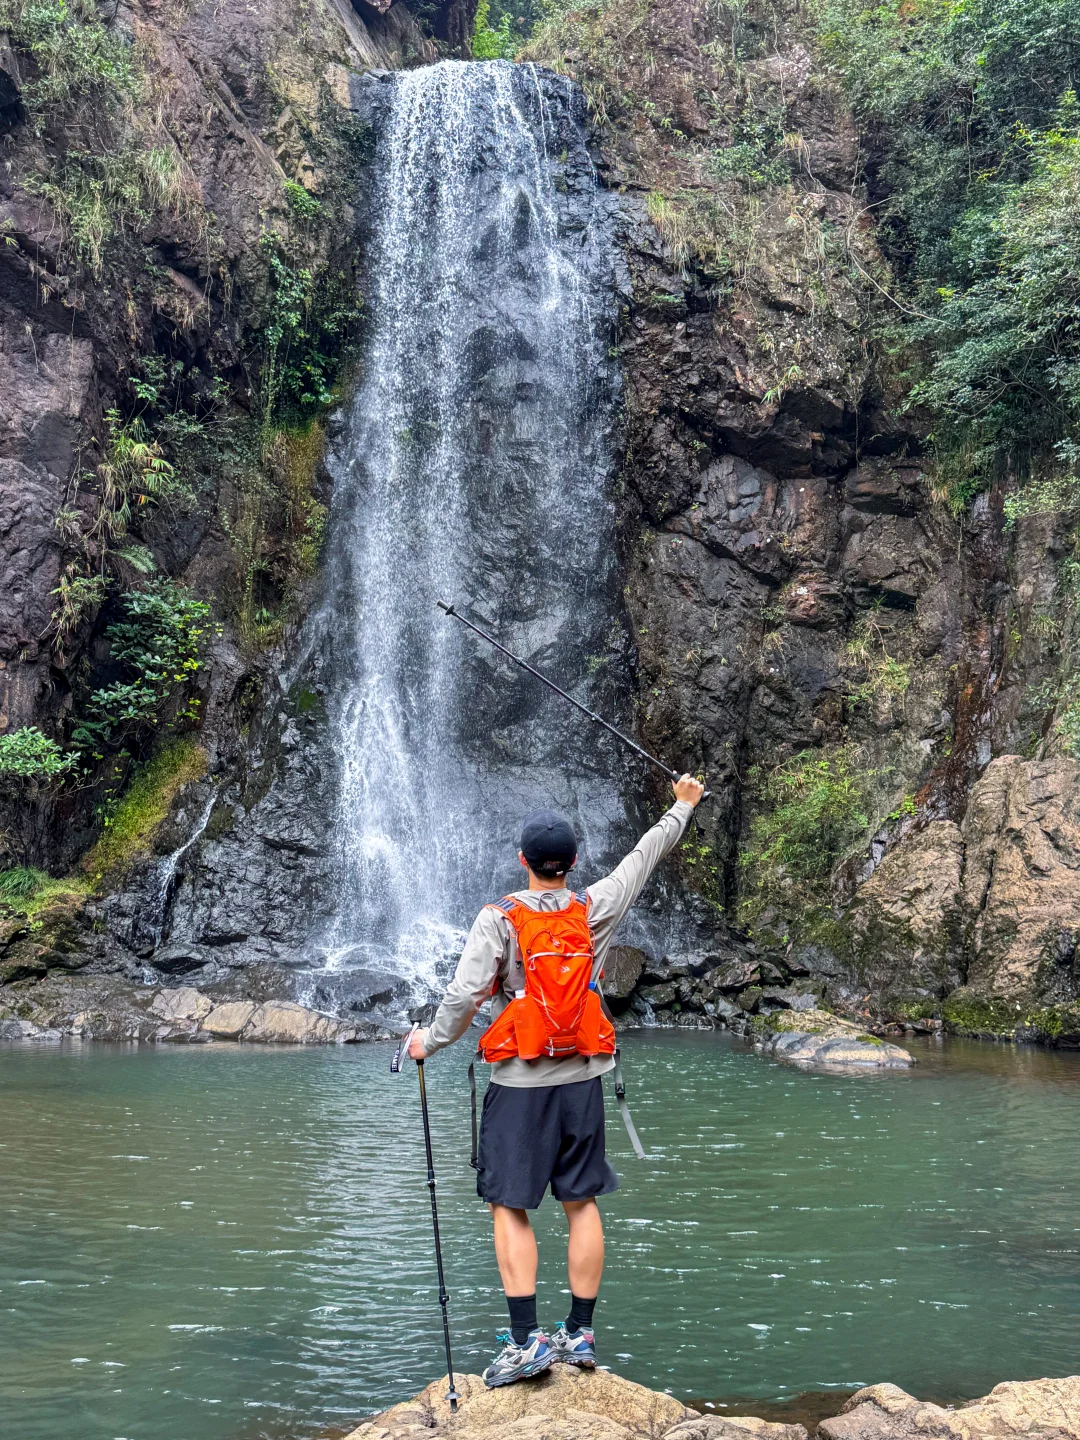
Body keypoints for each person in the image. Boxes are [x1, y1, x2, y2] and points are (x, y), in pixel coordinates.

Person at [407, 772, 706, 1387]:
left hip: (520, 1083)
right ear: (572, 863)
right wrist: (682, 807)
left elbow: (465, 996)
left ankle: (525, 1342)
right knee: (581, 1201)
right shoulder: (593, 906)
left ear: (523, 862)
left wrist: (427, 1043)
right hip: (583, 1081)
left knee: (509, 1206)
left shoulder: (500, 918)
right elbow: (644, 856)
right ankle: (580, 1334)